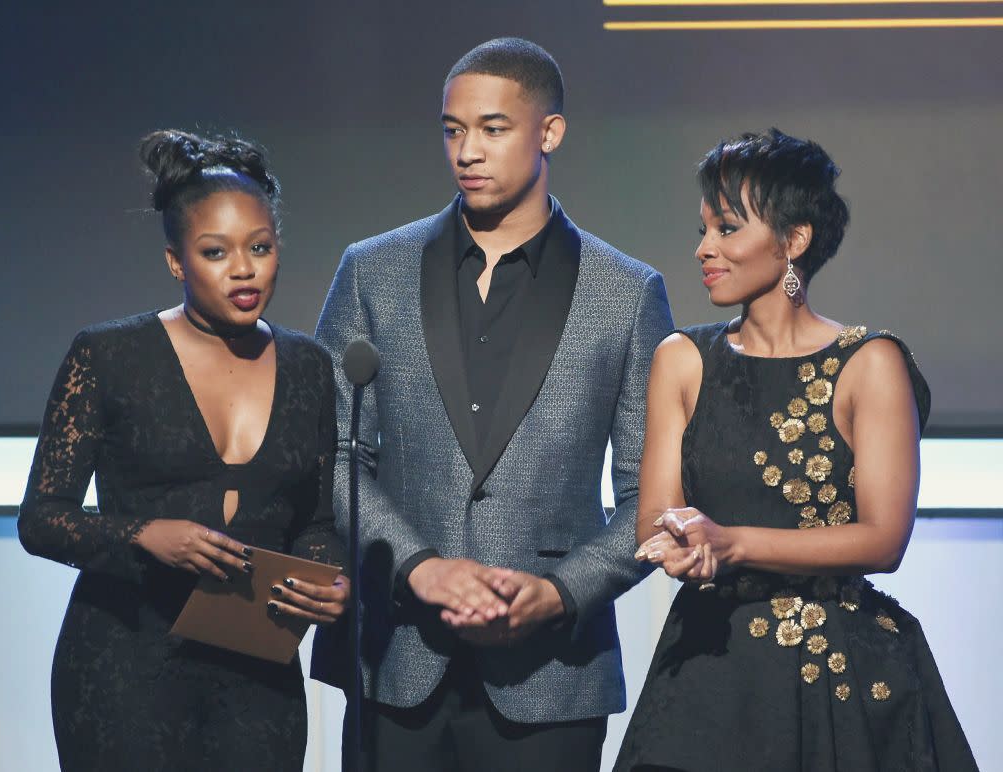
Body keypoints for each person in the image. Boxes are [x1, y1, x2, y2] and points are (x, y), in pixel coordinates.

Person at [311, 37, 674, 771]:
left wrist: (559, 592)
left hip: (552, 676)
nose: (467, 151)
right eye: (453, 130)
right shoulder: (372, 270)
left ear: (549, 133)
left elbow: (650, 498)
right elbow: (335, 452)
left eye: (492, 128)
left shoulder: (628, 292)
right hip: (395, 660)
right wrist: (417, 567)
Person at [614, 129, 977, 771]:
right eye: (704, 230)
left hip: (840, 674)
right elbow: (654, 521)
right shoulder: (680, 360)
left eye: (726, 229)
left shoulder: (870, 363)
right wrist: (676, 545)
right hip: (709, 674)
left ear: (794, 241)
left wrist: (733, 543)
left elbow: (884, 540)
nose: (704, 249)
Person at [18, 130, 349, 771]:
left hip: (257, 675)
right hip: (125, 666)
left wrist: (328, 582)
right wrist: (144, 534)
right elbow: (41, 518)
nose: (245, 269)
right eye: (215, 252)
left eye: (260, 247)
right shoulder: (109, 356)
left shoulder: (310, 367)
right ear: (177, 262)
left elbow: (317, 521)